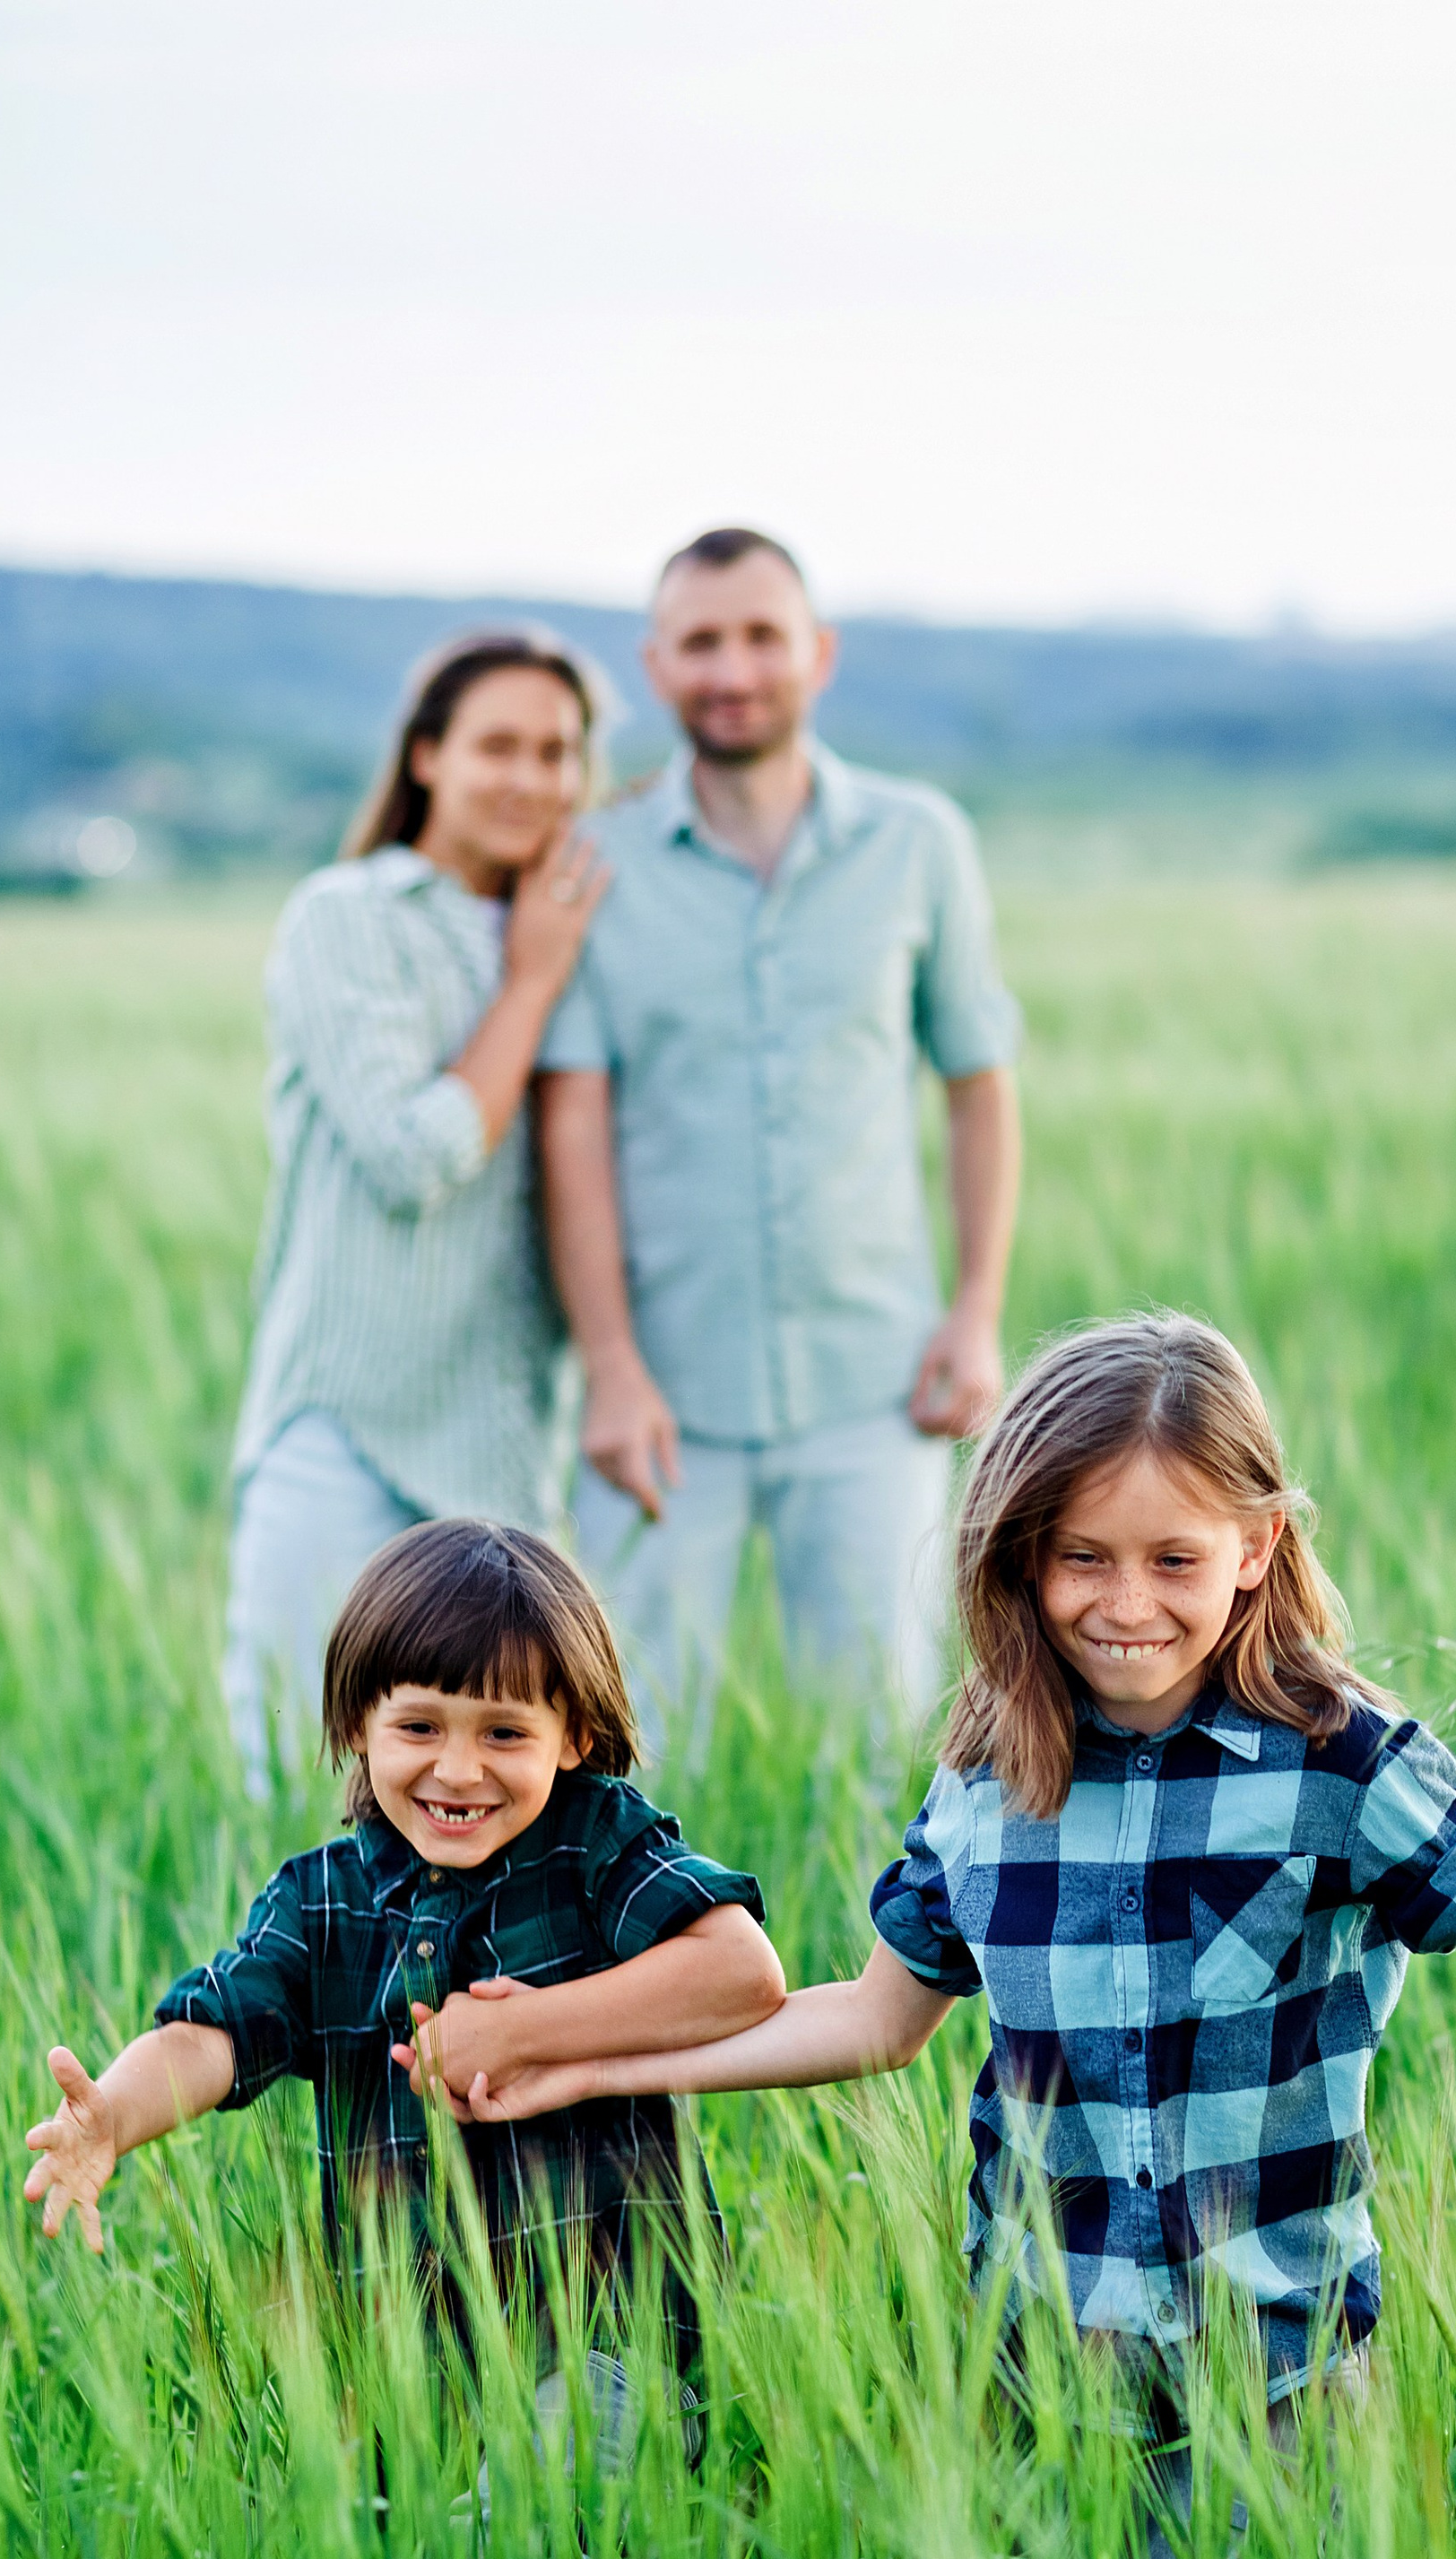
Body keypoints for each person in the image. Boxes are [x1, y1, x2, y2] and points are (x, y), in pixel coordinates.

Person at [443, 1314, 1456, 2559]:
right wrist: (579, 2057)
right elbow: (873, 2019)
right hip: (1049, 2370)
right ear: (1021, 1558)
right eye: (1082, 1559)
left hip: (1274, 2371)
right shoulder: (991, 1771)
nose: (1126, 1603)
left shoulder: (1342, 1760)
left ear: (1258, 1547)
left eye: (1176, 1559)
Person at [26, 1522, 784, 2438]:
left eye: (504, 1732)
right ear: (358, 1726)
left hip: (609, 2347)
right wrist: (114, 2111)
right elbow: (215, 2033)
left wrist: (524, 2031)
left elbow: (740, 1972)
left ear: (575, 1735)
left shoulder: (595, 1847)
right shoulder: (320, 1902)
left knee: (555, 2527)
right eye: (419, 1726)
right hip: (406, 2383)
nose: (457, 1769)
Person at [534, 525, 1024, 1759]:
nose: (733, 668)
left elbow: (977, 1083)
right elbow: (574, 1126)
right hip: (661, 1397)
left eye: (762, 636)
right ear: (656, 665)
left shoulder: (920, 844)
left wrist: (974, 1312)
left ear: (819, 654)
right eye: (702, 642)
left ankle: (875, 1967)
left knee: (886, 1747)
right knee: (635, 1748)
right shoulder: (593, 861)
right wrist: (609, 1365)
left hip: (876, 1384)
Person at [224, 633, 611, 1792]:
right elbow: (412, 1152)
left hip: (501, 1440)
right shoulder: (348, 916)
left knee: (493, 1802)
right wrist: (532, 982)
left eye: (558, 752)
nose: (530, 779)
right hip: (342, 1421)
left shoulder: (583, 924)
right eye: (499, 745)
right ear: (429, 756)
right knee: (293, 1777)